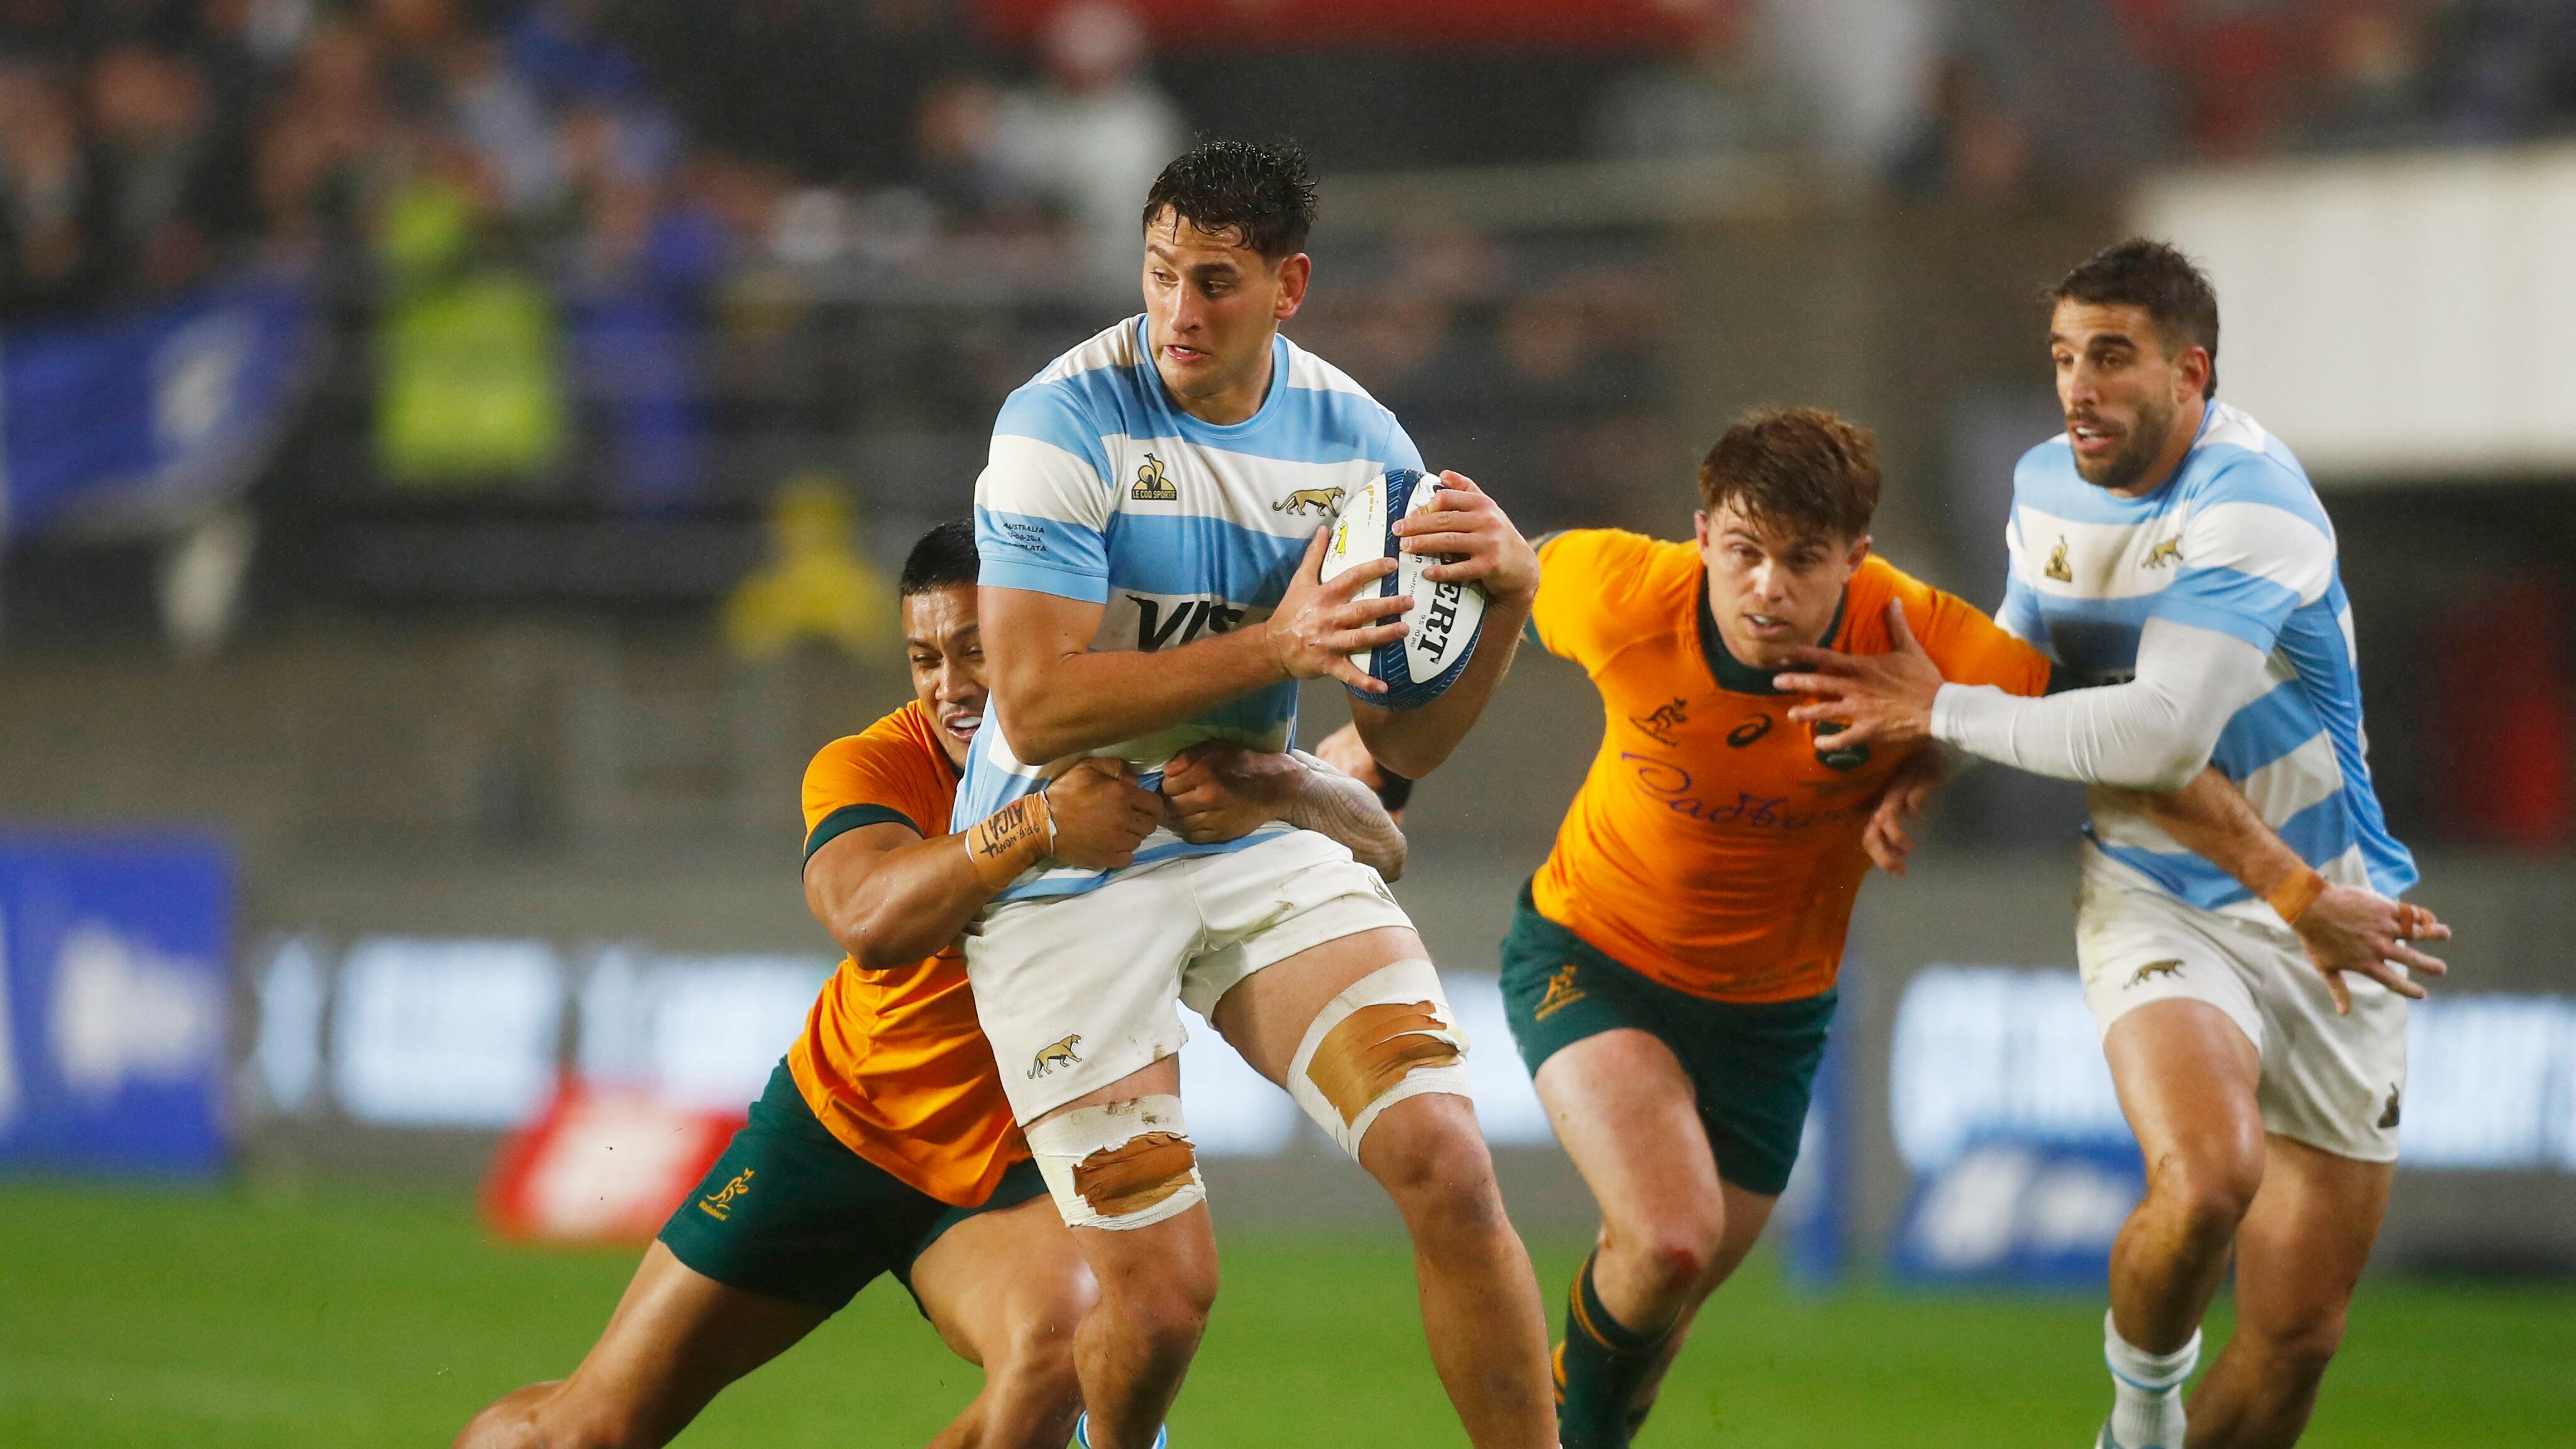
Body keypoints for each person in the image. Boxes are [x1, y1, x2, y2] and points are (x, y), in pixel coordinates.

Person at [456, 519, 1407, 1449]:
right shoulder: (874, 762)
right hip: (840, 1130)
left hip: (1013, 1168)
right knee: (586, 1431)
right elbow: (868, 918)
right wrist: (1035, 828)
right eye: (923, 659)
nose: (950, 687)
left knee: (1062, 1351)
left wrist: (1289, 788)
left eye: (975, 649)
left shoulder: (1135, 740)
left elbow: (1380, 843)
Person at [1774, 240, 2450, 1449]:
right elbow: (2029, 655)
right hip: (2152, 891)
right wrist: (1935, 758)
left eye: (2112, 359)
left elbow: (2156, 729)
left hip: (2329, 907)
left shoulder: (2250, 505)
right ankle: (2136, 1422)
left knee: (2298, 1335)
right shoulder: (2045, 482)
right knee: (2204, 1180)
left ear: (2191, 372)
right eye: (2062, 357)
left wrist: (1932, 712)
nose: (2077, 387)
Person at [960, 138, 1556, 1449]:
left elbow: (1408, 734)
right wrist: (1276, 653)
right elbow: (1035, 705)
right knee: (1165, 1307)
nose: (1180, 310)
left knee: (1450, 1165)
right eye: (1163, 272)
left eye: (1216, 282)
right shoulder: (1062, 421)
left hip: (1246, 837)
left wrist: (1504, 606)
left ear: (1289, 286)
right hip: (1059, 865)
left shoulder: (1360, 446)